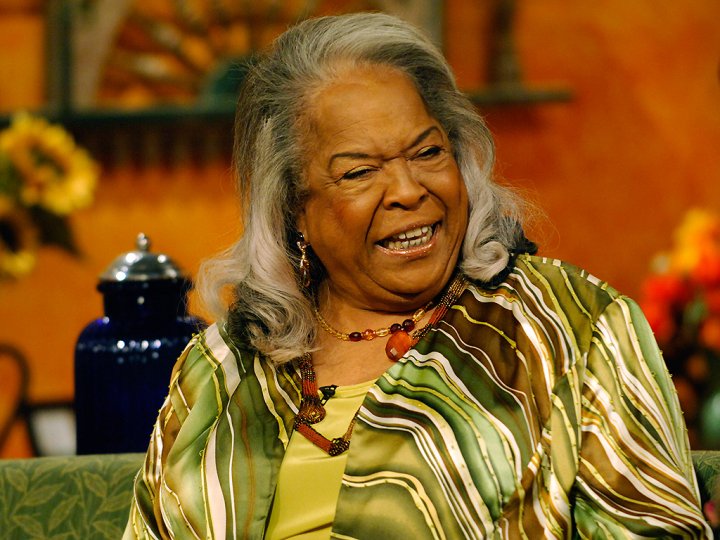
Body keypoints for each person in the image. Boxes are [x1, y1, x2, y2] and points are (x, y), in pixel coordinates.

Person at [123, 12, 711, 539]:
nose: (408, 190)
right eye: (359, 172)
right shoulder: (223, 368)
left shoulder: (571, 327)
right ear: (294, 208)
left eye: (428, 153)